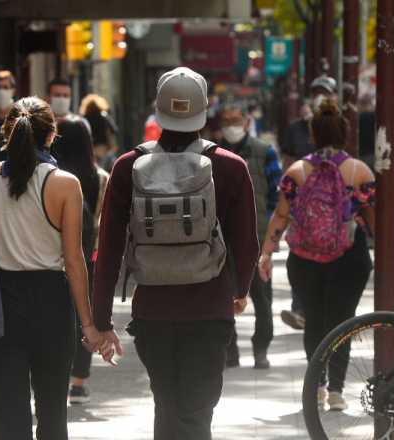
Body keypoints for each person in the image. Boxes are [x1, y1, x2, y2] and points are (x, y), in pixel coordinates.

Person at [92, 67, 258, 440]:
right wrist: (239, 290)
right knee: (195, 412)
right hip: (209, 310)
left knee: (167, 404)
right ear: (203, 111)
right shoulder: (230, 167)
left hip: (153, 310)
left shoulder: (126, 167)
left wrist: (101, 319)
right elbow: (246, 245)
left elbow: (109, 249)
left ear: (158, 109)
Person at [0, 97, 118, 440]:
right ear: (51, 134)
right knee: (52, 413)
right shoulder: (64, 183)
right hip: (52, 305)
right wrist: (89, 324)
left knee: (4, 416)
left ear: (6, 132)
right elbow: (74, 260)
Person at [257, 98, 376, 412]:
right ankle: (337, 391)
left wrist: (267, 252)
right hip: (350, 258)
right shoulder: (359, 171)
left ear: (312, 133)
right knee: (342, 323)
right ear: (344, 133)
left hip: (305, 258)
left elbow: (281, 216)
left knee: (314, 323)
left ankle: (318, 385)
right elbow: (371, 215)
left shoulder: (296, 171)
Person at [52, 114, 111, 404]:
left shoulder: (51, 180)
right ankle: (78, 382)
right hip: (91, 257)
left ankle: (53, 376)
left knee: (56, 317)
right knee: (86, 318)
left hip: (53, 258)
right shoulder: (101, 179)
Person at [218, 105, 282, 370]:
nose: (232, 126)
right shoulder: (210, 153)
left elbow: (275, 195)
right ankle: (229, 352)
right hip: (220, 240)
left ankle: (261, 350)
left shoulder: (264, 152)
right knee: (222, 298)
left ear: (246, 123)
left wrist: (269, 233)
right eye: (227, 121)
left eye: (236, 121)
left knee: (261, 298)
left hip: (255, 239)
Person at [276, 74, 338, 331]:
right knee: (299, 254)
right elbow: (287, 163)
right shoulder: (295, 129)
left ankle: (324, 309)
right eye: (316, 92)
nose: (319, 97)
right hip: (302, 205)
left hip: (331, 205)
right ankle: (299, 308)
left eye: (325, 92)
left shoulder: (338, 125)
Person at [79, 93, 120, 172]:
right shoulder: (104, 116)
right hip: (103, 149)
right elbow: (114, 131)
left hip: (90, 151)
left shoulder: (84, 119)